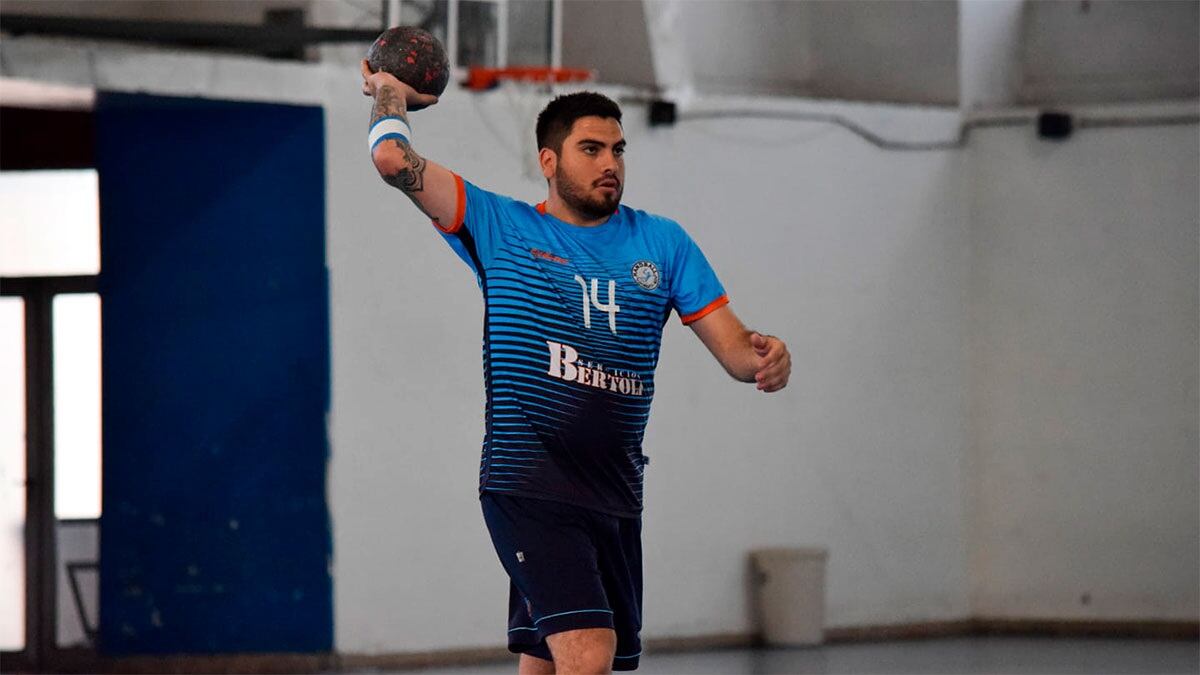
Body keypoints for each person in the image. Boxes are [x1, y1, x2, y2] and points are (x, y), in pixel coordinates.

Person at [362, 60, 791, 674]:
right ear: (549, 160)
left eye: (618, 149)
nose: (609, 162)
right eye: (590, 149)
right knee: (588, 654)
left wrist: (766, 355)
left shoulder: (663, 244)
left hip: (615, 495)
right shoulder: (500, 225)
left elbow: (735, 350)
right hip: (528, 484)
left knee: (547, 661)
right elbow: (393, 162)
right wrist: (386, 94)